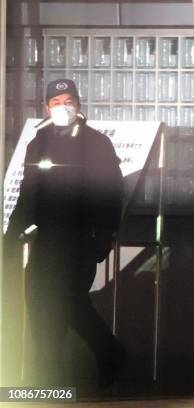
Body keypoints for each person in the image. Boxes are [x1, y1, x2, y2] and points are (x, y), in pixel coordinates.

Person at [4, 79, 125, 387]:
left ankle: (107, 353)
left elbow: (111, 194)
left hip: (82, 240)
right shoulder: (38, 142)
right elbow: (28, 195)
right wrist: (10, 237)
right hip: (47, 240)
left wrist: (104, 237)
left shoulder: (96, 143)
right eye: (56, 102)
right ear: (47, 107)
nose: (62, 107)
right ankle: (48, 377)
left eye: (67, 100)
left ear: (79, 105)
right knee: (40, 302)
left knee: (69, 303)